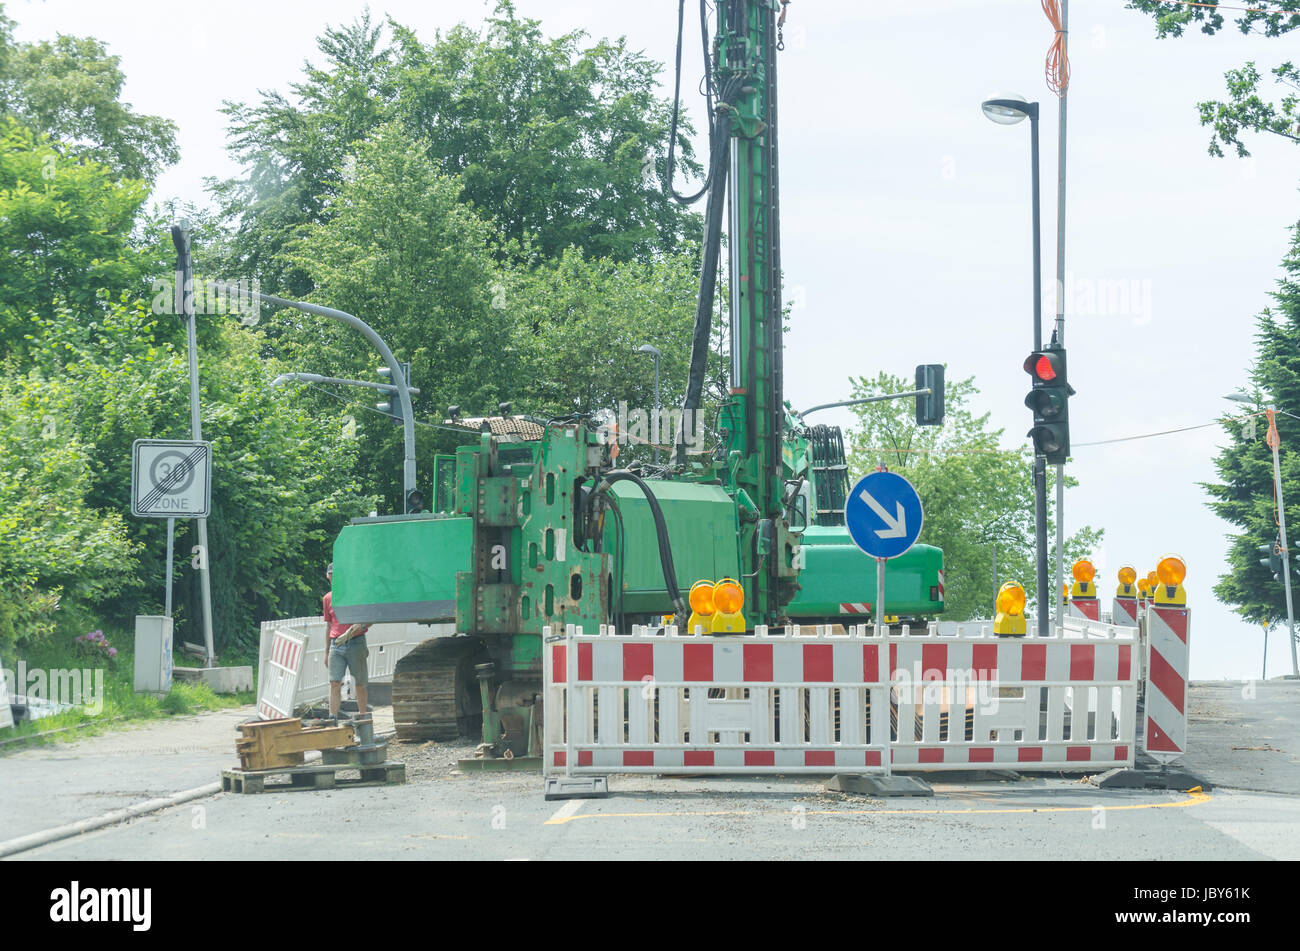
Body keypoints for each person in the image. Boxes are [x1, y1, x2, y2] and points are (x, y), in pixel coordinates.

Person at [323, 563, 370, 718]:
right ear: (327, 576)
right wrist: (326, 651)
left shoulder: (355, 595)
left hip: (356, 642)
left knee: (359, 683)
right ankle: (332, 718)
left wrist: (362, 625)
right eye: (331, 575)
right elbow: (329, 626)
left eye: (336, 575)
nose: (333, 578)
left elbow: (370, 617)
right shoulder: (327, 599)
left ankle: (363, 716)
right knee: (334, 682)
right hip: (336, 644)